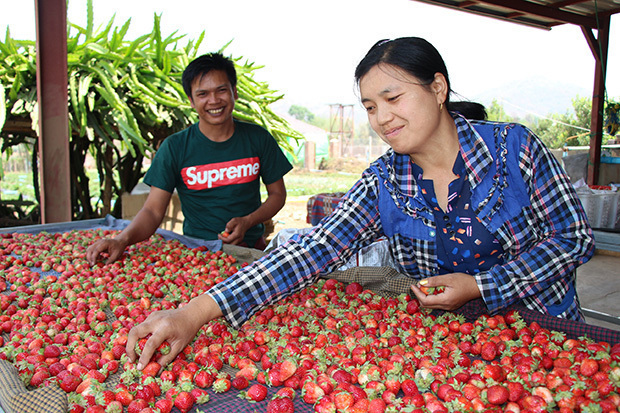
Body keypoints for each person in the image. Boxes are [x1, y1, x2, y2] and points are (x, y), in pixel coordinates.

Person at [126, 37, 595, 370]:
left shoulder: (515, 150)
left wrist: (481, 285)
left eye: (392, 98)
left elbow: (572, 238)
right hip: (451, 350)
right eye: (370, 107)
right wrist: (193, 312)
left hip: (546, 338)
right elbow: (311, 251)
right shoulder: (385, 181)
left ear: (437, 88)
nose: (382, 118)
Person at [86, 53, 293, 264]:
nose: (213, 100)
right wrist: (121, 240)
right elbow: (152, 210)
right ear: (191, 101)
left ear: (234, 93)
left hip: (250, 249)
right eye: (203, 94)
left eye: (221, 90)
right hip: (197, 254)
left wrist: (248, 221)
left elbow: (277, 195)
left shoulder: (257, 138)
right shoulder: (175, 147)